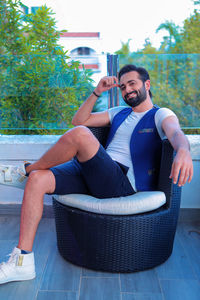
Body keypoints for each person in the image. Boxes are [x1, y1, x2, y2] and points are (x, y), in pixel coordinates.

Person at [0, 64, 193, 284]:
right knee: (38, 180)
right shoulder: (119, 113)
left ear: (147, 85)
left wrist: (184, 150)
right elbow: (79, 120)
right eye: (122, 87)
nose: (127, 90)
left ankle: (26, 170)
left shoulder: (160, 114)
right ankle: (21, 262)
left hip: (120, 181)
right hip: (95, 172)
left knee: (80, 137)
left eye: (132, 84)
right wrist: (97, 91)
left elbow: (175, 132)